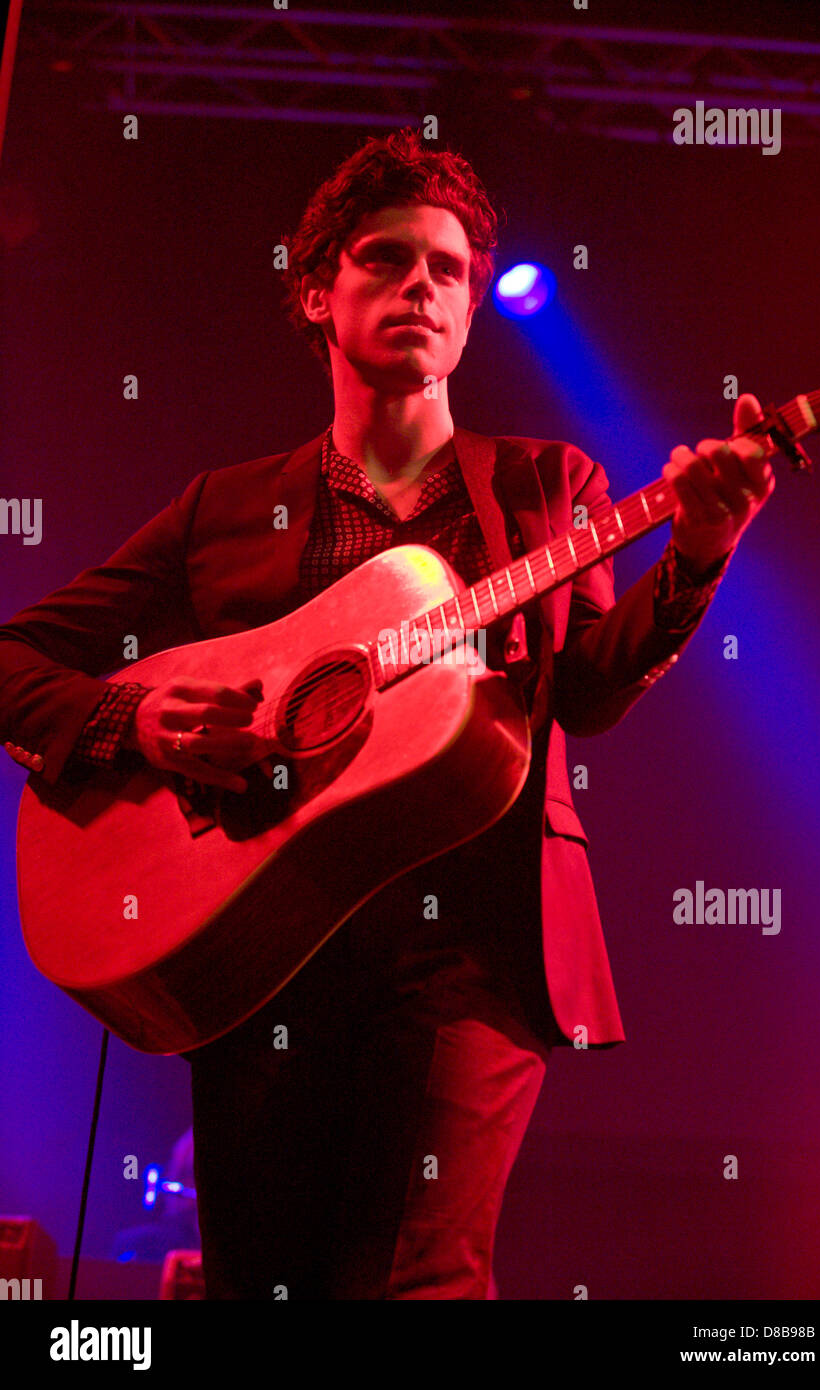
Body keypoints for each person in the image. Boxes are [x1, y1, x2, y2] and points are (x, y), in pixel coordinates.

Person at [0, 128, 773, 1299]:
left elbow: (596, 689)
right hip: (262, 948)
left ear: (469, 313)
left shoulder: (544, 487)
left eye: (449, 270)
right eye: (387, 259)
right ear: (316, 290)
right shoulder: (224, 510)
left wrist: (699, 551)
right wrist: (139, 726)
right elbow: (18, 657)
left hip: (475, 945)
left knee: (418, 1277)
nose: (424, 285)